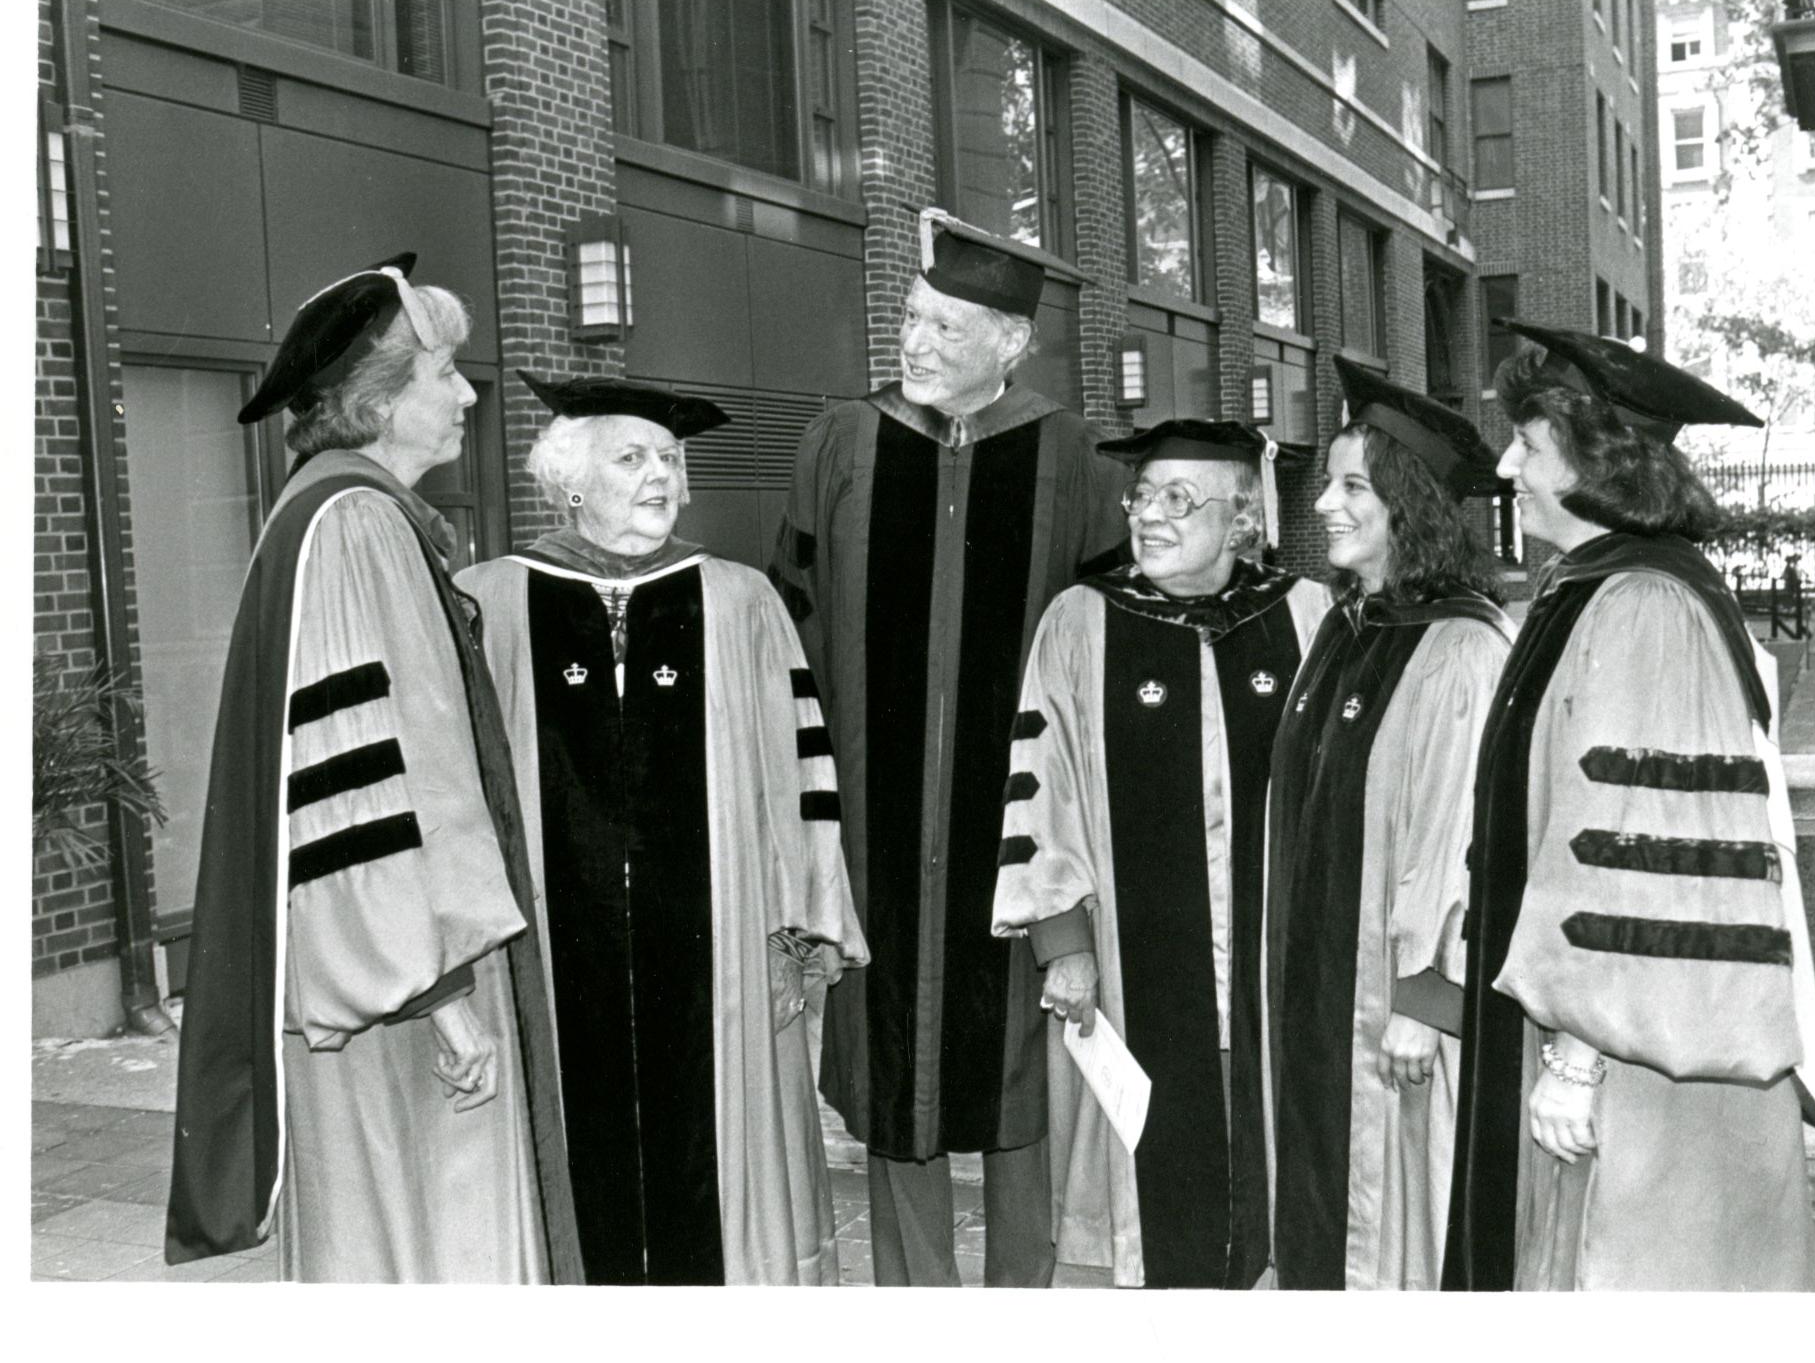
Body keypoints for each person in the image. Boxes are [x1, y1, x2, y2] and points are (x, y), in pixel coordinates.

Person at [166, 255, 580, 1281]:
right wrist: (435, 992)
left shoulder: (337, 510)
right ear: (379, 398)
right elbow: (370, 784)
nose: (469, 394)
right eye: (444, 372)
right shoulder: (353, 525)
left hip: (392, 959)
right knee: (427, 1247)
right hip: (396, 981)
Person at [1442, 321, 1815, 1291]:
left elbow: (1644, 849)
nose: (1505, 464)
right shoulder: (1589, 589)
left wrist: (1580, 1060)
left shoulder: (1643, 611)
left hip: (1648, 1056)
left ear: (1594, 458)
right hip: (1614, 1031)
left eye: (1527, 445)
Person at [768, 220, 1128, 1287]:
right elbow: (791, 630)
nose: (914, 341)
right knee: (891, 1079)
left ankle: (1022, 1309)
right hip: (873, 829)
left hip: (1016, 837)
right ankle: (913, 1317)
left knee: (1018, 1073)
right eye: (911, 318)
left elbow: (1100, 654)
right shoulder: (841, 440)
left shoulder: (1071, 457)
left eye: (943, 325)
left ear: (1010, 343)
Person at [457, 373, 870, 1285]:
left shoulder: (739, 598)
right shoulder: (485, 603)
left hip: (718, 957)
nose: (660, 476)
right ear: (568, 482)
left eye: (671, 459)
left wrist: (807, 926)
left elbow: (801, 776)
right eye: (632, 456)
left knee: (714, 1179)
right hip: (549, 960)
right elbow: (454, 798)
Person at [991, 419, 1332, 1290]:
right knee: (1152, 1181)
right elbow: (1042, 777)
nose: (1149, 516)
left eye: (1178, 499)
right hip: (1131, 965)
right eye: (1142, 496)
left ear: (1241, 518)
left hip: (1275, 958)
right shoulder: (1081, 619)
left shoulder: (1304, 614)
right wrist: (1062, 943)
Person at [1261, 364, 1515, 1290]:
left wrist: (1423, 996)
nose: (1324, 502)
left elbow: (1461, 843)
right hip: (1320, 987)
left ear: (1410, 507)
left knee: (1397, 1222)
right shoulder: (1345, 627)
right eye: (1329, 482)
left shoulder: (1459, 647)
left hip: (1396, 1008)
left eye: (1352, 485)